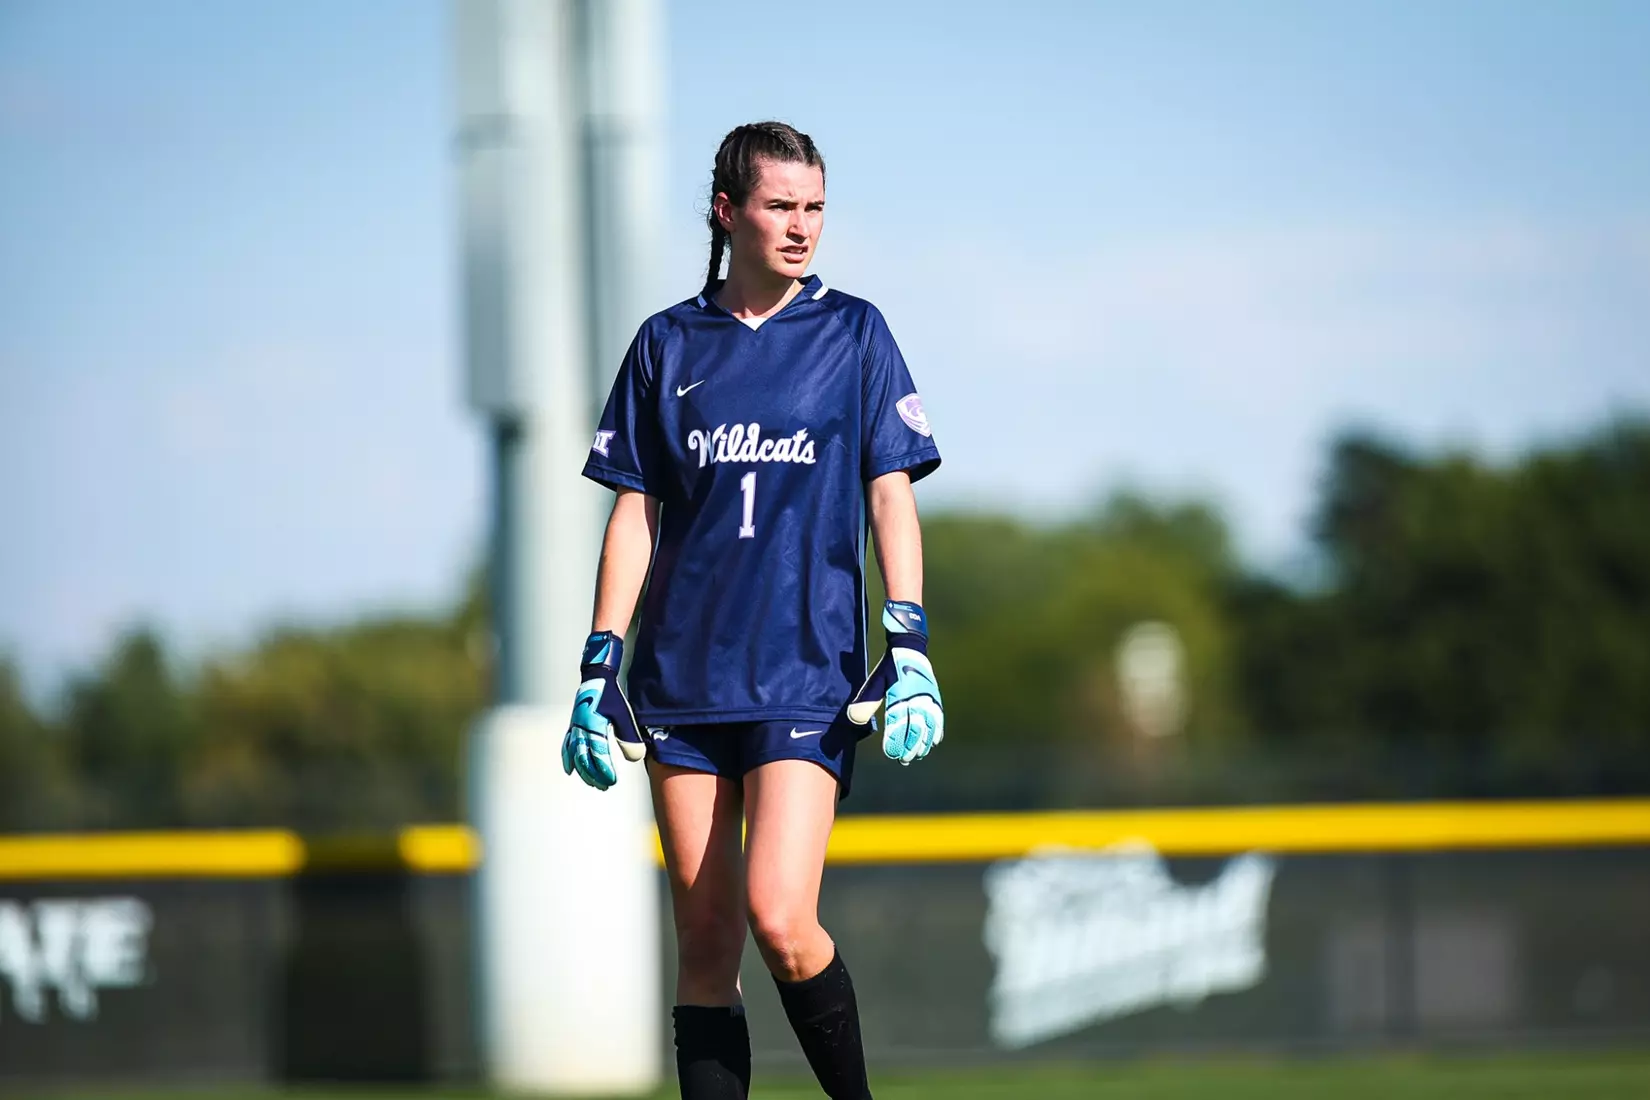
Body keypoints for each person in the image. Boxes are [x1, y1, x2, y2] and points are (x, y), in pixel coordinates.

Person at [561, 120, 944, 1100]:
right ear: (727, 212)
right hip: (681, 680)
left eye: (815, 207)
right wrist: (600, 663)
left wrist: (908, 640)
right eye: (781, 205)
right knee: (704, 942)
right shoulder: (667, 343)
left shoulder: (855, 332)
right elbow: (635, 514)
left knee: (780, 913)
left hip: (805, 673)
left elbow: (890, 495)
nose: (802, 225)